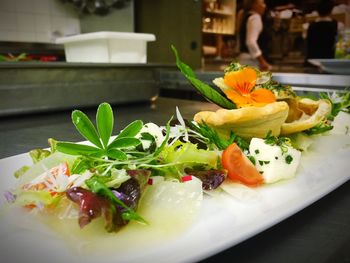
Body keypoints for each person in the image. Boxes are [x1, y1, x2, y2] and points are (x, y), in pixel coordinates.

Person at [236, 0, 272, 71]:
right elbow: (251, 42)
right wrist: (262, 61)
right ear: (254, 5)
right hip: (251, 61)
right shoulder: (255, 18)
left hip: (244, 59)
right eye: (262, 3)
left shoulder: (246, 16)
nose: (264, 6)